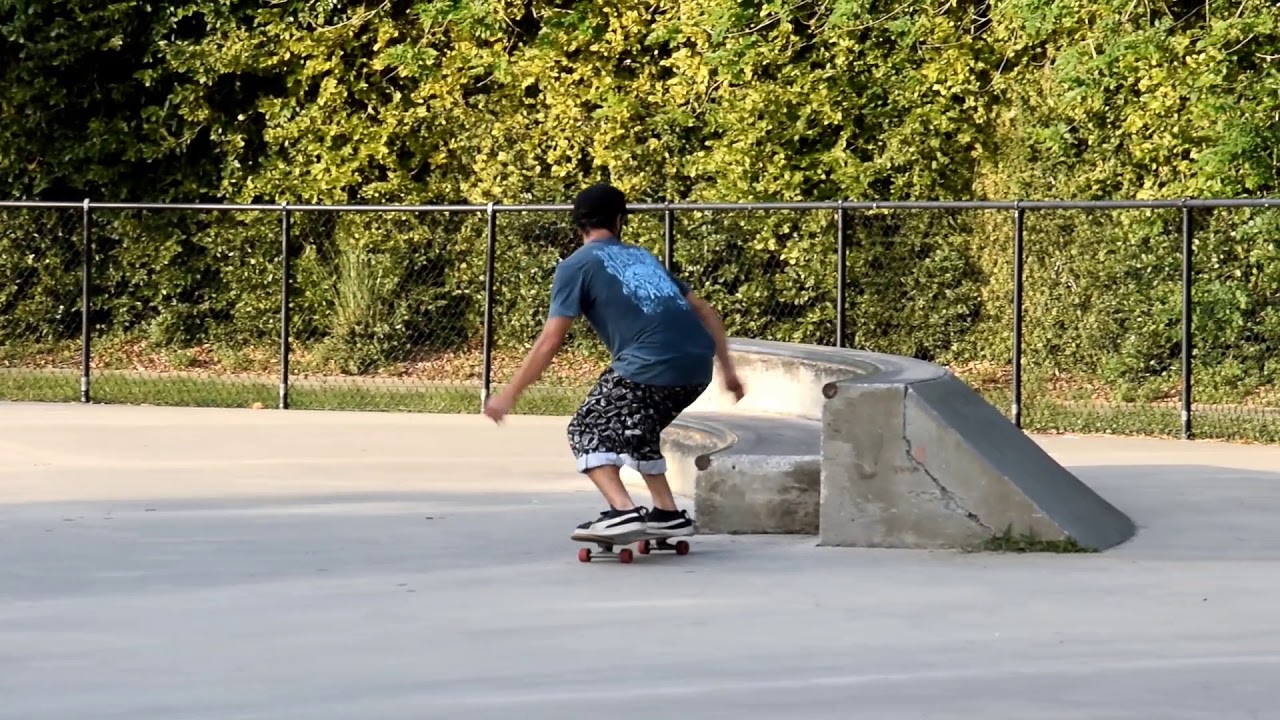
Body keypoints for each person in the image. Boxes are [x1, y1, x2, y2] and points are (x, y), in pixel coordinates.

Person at [483, 183, 744, 541]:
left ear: (577, 224)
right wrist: (728, 373)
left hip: (649, 364)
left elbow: (551, 340)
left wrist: (508, 394)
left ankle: (623, 511)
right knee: (640, 429)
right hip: (697, 368)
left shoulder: (576, 266)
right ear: (620, 220)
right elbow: (707, 312)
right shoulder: (643, 257)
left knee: (586, 428)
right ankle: (667, 513)